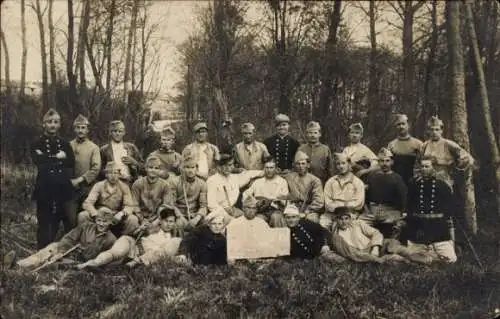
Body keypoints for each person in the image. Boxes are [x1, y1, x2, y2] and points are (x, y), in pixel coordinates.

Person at [77, 205, 182, 269]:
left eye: (171, 222)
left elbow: (165, 252)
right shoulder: (151, 228)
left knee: (112, 265)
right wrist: (141, 229)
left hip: (141, 257)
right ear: (160, 220)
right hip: (132, 244)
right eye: (166, 221)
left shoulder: (173, 237)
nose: (169, 224)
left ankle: (97, 265)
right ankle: (91, 264)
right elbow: (133, 234)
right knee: (116, 253)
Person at [31, 108, 76, 248]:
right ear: (43, 124)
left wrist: (46, 157)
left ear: (59, 125)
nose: (52, 125)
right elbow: (39, 162)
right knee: (44, 218)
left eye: (56, 122)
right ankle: (42, 248)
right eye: (49, 122)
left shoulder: (65, 144)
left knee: (68, 219)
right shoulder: (36, 143)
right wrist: (58, 157)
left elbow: (70, 162)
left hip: (63, 186)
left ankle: (67, 248)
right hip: (45, 186)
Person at [14, 209, 116, 270]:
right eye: (99, 220)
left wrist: (88, 264)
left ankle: (28, 268)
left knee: (51, 264)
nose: (101, 224)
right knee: (49, 249)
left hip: (78, 262)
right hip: (68, 250)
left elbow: (106, 259)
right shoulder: (86, 226)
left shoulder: (111, 239)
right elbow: (69, 238)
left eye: (105, 222)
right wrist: (61, 250)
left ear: (110, 223)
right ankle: (19, 265)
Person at [329, 207, 430, 264]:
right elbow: (352, 254)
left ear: (350, 219)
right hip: (362, 253)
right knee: (392, 258)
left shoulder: (357, 224)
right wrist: (373, 257)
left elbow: (375, 233)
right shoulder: (336, 236)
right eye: (340, 219)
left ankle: (417, 257)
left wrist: (375, 248)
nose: (344, 222)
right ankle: (402, 261)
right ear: (336, 219)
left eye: (346, 218)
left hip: (373, 246)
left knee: (392, 243)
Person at [405, 156, 457, 263]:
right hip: (419, 227)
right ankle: (429, 257)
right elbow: (409, 205)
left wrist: (445, 220)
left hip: (438, 227)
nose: (424, 169)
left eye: (427, 166)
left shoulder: (442, 186)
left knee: (451, 259)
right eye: (422, 166)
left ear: (433, 168)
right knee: (410, 257)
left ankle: (429, 257)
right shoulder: (414, 185)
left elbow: (449, 207)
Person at [78, 162, 139, 236]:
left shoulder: (124, 187)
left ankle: (122, 239)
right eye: (110, 173)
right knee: (83, 215)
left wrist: (121, 213)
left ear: (119, 174)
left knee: (133, 219)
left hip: (115, 216)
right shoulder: (99, 185)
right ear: (106, 174)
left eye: (115, 173)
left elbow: (129, 206)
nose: (113, 176)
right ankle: (88, 237)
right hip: (100, 214)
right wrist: (95, 213)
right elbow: (88, 203)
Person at [359, 148, 407, 239]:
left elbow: (403, 198)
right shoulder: (371, 176)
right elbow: (365, 196)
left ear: (392, 162)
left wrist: (400, 212)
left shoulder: (397, 178)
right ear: (378, 162)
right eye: (381, 161)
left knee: (392, 226)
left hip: (390, 211)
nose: (384, 164)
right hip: (372, 210)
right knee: (358, 223)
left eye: (387, 161)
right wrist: (367, 210)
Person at [418, 115, 474, 188]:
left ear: (441, 131)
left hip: (444, 180)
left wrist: (458, 168)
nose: (434, 132)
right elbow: (418, 163)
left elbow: (467, 158)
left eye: (437, 129)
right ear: (428, 131)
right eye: (431, 130)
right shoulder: (424, 145)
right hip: (428, 181)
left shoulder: (449, 144)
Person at [67, 114, 102, 230]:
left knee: (85, 218)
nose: (80, 130)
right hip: (70, 188)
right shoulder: (68, 145)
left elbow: (96, 168)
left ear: (87, 130)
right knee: (70, 219)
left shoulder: (94, 148)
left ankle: (85, 243)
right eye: (78, 127)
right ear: (74, 129)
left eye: (83, 128)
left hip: (87, 189)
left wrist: (80, 180)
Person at [206, 154, 263, 222]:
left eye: (230, 165)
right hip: (218, 212)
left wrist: (264, 172)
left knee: (249, 222)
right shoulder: (212, 180)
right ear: (218, 167)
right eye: (225, 165)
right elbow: (211, 204)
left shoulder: (234, 178)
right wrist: (225, 214)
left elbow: (249, 174)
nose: (228, 168)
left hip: (233, 210)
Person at [130, 156, 179, 225]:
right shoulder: (137, 184)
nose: (153, 170)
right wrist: (142, 219)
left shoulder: (165, 185)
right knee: (132, 220)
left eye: (156, 168)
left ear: (159, 170)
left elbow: (166, 206)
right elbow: (135, 205)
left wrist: (157, 221)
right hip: (140, 217)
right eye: (150, 167)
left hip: (158, 218)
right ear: (146, 168)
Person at [321, 153, 365, 229]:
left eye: (343, 163)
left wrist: (342, 207)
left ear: (349, 164)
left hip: (350, 214)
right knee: (323, 224)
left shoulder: (357, 182)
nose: (341, 166)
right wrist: (339, 209)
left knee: (352, 227)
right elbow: (327, 203)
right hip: (332, 214)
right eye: (338, 164)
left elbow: (359, 204)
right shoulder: (330, 182)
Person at [165, 156, 208, 232]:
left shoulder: (202, 183)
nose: (190, 170)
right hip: (179, 213)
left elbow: (203, 206)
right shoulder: (174, 182)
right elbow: (172, 204)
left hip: (195, 214)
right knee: (179, 224)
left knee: (205, 223)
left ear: (197, 169)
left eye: (192, 167)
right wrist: (180, 217)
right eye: (187, 167)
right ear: (182, 169)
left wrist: (196, 219)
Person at [280, 151, 324, 225]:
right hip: (292, 207)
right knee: (279, 218)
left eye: (303, 164)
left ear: (308, 165)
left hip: (308, 209)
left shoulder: (315, 180)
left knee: (312, 219)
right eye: (298, 164)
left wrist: (307, 212)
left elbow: (319, 201)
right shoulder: (289, 177)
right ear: (294, 165)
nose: (300, 166)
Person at [241, 158, 288, 224]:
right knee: (258, 219)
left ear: (276, 169)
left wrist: (272, 201)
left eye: (271, 168)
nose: (269, 170)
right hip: (261, 211)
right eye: (267, 168)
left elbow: (285, 199)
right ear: (264, 168)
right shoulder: (258, 182)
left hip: (275, 211)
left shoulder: (282, 181)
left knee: (276, 217)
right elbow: (245, 194)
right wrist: (255, 202)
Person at [387, 114, 422, 185]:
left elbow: (424, 162)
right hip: (396, 182)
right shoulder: (391, 145)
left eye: (403, 124)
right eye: (398, 124)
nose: (401, 127)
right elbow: (388, 164)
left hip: (414, 181)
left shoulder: (418, 144)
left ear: (408, 125)